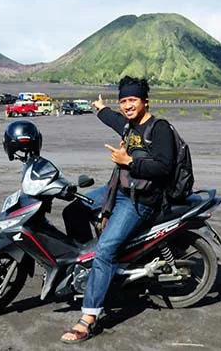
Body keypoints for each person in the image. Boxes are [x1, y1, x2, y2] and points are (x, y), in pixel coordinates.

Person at [60, 76, 176, 344]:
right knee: (74, 210)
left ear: (145, 101)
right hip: (119, 189)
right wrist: (100, 109)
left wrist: (129, 161)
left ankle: (89, 317)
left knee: (105, 252)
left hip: (141, 200)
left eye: (132, 100)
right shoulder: (128, 125)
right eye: (123, 100)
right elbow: (112, 119)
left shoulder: (159, 129)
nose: (127, 105)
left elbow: (164, 167)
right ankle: (87, 271)